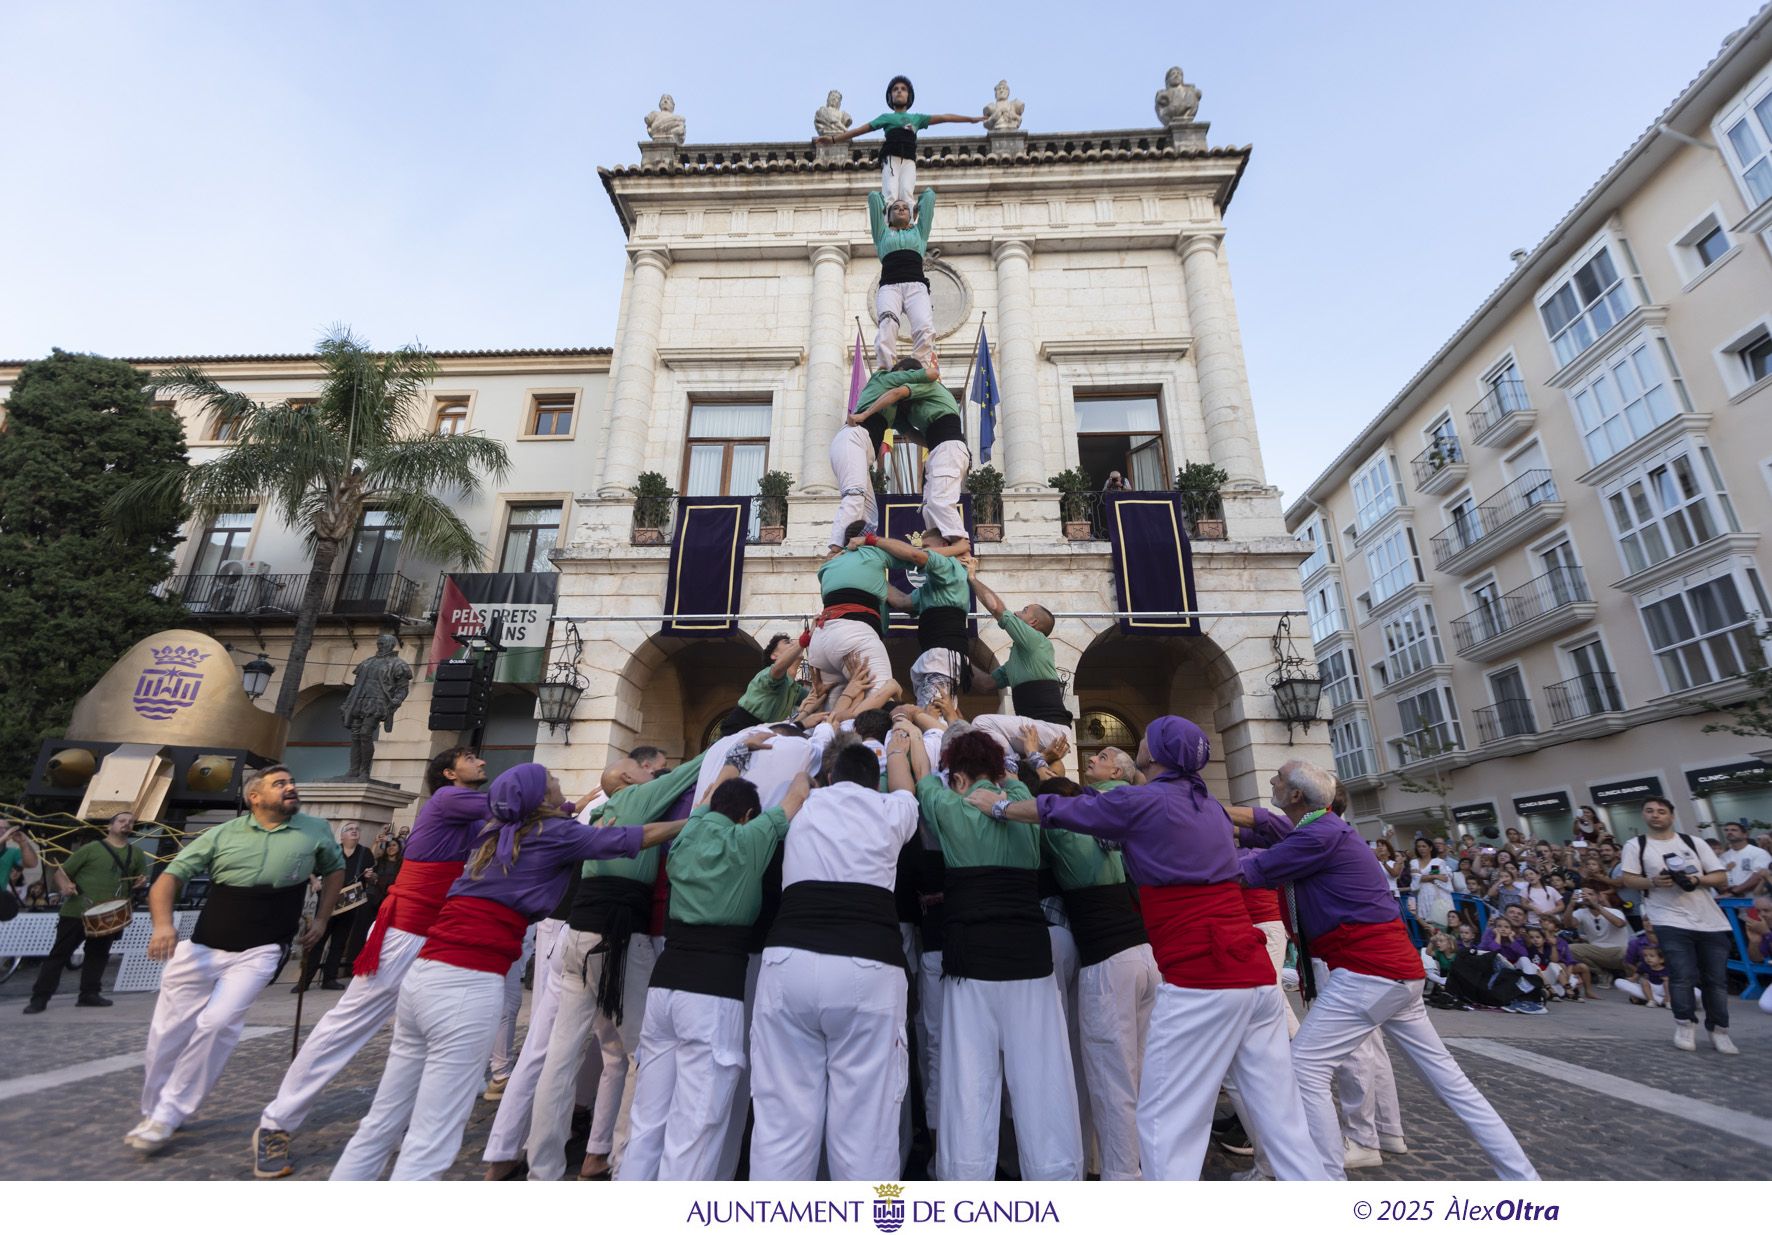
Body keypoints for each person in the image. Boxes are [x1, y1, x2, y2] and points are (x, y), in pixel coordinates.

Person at [970, 717, 1321, 1181]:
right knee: (1284, 1119)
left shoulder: (1148, 801)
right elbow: (1273, 830)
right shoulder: (1206, 807)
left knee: (1162, 1120)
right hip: (1253, 974)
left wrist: (998, 806)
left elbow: (1061, 811)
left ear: (1155, 756)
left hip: (1202, 974)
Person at [331, 763, 683, 1180]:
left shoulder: (495, 829)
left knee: (382, 1120)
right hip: (468, 983)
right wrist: (696, 816)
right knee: (433, 1136)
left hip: (425, 975)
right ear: (539, 799)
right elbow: (636, 837)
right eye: (553, 785)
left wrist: (574, 804)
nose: (559, 787)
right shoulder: (553, 834)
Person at [1238, 759, 1537, 1181]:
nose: (1271, 777)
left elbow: (1248, 871)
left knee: (1304, 1066)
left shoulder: (1318, 834)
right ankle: (1522, 1177)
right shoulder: (1322, 829)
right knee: (1452, 1084)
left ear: (1294, 795)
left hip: (1368, 972)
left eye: (1278, 776)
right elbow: (1268, 830)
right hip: (1396, 972)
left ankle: (1324, 1184)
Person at [252, 748, 488, 1178]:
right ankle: (277, 1121)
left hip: (448, 932)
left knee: (444, 1028)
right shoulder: (448, 800)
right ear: (450, 773)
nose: (482, 763)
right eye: (471, 758)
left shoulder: (471, 811)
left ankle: (426, 1117)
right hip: (407, 933)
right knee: (349, 1023)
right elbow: (515, 805)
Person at [129, 766, 344, 1156]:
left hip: (263, 948)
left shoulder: (315, 830)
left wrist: (324, 917)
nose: (291, 787)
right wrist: (162, 927)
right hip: (203, 947)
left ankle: (169, 1113)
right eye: (280, 784)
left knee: (219, 1022)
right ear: (255, 798)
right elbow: (168, 879)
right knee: (167, 1033)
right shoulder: (221, 834)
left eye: (292, 781)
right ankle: (153, 1107)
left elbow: (334, 870)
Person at [618, 768, 811, 1180]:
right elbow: (796, 796)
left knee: (648, 1117)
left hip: (664, 986)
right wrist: (809, 753)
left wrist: (735, 760)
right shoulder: (750, 839)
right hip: (712, 992)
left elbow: (707, 796)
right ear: (745, 816)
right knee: (696, 1123)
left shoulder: (689, 831)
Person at [520, 746, 701, 1182]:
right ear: (628, 778)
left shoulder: (599, 814)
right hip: (617, 940)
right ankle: (625, 1160)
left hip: (578, 937)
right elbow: (699, 763)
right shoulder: (635, 800)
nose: (658, 773)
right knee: (645, 1052)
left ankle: (541, 1170)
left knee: (562, 1056)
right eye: (650, 769)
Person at [748, 728, 922, 1179]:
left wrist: (810, 778)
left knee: (781, 1123)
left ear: (829, 775)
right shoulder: (891, 809)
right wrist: (898, 748)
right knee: (866, 1125)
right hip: (868, 969)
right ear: (873, 779)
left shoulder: (802, 805)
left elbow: (797, 785)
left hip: (788, 965)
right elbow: (906, 787)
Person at [910, 728, 1082, 1181]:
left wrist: (907, 730)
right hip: (1030, 957)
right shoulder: (1021, 799)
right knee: (1044, 1081)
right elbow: (1014, 779)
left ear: (960, 778)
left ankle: (966, 1193)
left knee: (970, 1083)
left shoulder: (947, 804)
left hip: (971, 965)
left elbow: (922, 775)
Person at [1036, 776, 1159, 1180]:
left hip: (1108, 964)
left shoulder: (1061, 833)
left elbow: (1036, 817)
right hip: (1145, 956)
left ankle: (1122, 1179)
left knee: (1111, 1083)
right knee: (1139, 1077)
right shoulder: (1107, 835)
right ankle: (1142, 1167)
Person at [1615, 797, 1737, 1054]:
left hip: (1709, 919)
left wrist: (1696, 879)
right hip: (1667, 917)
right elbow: (1628, 878)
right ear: (1643, 816)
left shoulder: (1694, 842)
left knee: (1715, 979)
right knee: (1681, 973)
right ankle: (1685, 1023)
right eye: (1649, 811)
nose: (1655, 815)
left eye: (1661, 811)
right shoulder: (1637, 845)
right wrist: (1654, 882)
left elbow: (1720, 876)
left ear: (1671, 815)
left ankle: (1719, 1029)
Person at [27, 811, 149, 1013]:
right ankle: (39, 998)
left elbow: (139, 879)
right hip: (77, 911)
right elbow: (62, 872)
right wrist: (65, 886)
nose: (127, 824)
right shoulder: (91, 849)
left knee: (98, 955)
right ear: (110, 826)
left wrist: (140, 882)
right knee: (59, 954)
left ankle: (89, 994)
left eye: (131, 822)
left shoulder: (136, 854)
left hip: (110, 913)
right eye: (122, 821)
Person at [814, 75, 983, 213]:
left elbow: (945, 117)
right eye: (895, 90)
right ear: (891, 96)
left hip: (908, 159)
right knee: (890, 193)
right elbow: (860, 130)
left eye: (903, 89)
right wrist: (834, 139)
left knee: (907, 192)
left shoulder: (917, 119)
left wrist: (971, 120)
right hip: (891, 158)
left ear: (908, 96)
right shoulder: (886, 118)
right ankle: (890, 224)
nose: (899, 92)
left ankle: (908, 223)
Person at [965, 568, 1072, 758]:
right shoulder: (1018, 661)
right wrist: (959, 654)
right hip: (1038, 732)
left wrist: (971, 577)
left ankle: (1011, 765)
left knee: (982, 724)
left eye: (1023, 611)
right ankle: (1020, 765)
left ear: (1033, 623)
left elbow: (997, 609)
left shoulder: (1036, 640)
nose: (1015, 612)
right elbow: (984, 683)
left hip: (1051, 730)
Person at [873, 530, 975, 708]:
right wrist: (875, 576)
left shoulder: (948, 565)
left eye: (927, 547)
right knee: (934, 711)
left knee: (933, 713)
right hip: (935, 656)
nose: (923, 551)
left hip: (942, 657)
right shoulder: (932, 587)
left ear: (944, 546)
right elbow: (902, 602)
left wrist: (872, 540)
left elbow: (916, 556)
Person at [807, 524, 899, 713]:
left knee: (829, 712)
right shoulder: (873, 554)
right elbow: (917, 558)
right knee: (878, 702)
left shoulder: (830, 565)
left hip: (822, 639)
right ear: (868, 538)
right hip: (854, 635)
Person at [295, 823, 373, 992]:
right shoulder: (332, 851)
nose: (354, 831)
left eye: (357, 829)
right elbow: (311, 869)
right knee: (317, 941)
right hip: (328, 903)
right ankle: (305, 980)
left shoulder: (365, 853)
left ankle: (329, 979)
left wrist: (371, 876)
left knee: (339, 943)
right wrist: (315, 881)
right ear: (342, 836)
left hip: (350, 904)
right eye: (349, 829)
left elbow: (372, 877)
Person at [719, 635, 808, 736]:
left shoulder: (795, 688)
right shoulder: (767, 674)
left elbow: (814, 698)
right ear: (774, 655)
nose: (793, 643)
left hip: (764, 733)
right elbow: (778, 669)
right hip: (737, 730)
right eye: (787, 642)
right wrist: (804, 639)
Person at [1562, 883, 1630, 984]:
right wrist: (1571, 905)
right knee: (1569, 949)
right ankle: (1602, 973)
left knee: (1628, 952)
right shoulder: (1581, 912)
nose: (1587, 897)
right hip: (1596, 950)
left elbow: (1619, 924)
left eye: (1590, 894)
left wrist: (1596, 906)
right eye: (1584, 894)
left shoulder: (1613, 911)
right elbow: (1568, 925)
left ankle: (1629, 977)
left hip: (1617, 951)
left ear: (1598, 897)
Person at [1409, 837, 1455, 932]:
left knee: (1442, 925)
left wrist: (1428, 876)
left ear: (1430, 848)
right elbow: (1418, 878)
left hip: (1438, 894)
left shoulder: (1437, 861)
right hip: (1423, 895)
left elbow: (1442, 878)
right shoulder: (1414, 862)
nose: (1421, 848)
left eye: (1424, 846)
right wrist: (1432, 876)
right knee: (1428, 927)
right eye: (1418, 847)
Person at [1723, 821, 1771, 897]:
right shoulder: (1724, 856)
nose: (1729, 832)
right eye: (1726, 830)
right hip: (1731, 899)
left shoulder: (1758, 853)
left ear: (1745, 835)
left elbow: (1759, 877)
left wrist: (1734, 891)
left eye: (1734, 830)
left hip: (1755, 898)